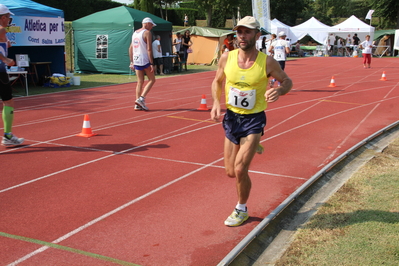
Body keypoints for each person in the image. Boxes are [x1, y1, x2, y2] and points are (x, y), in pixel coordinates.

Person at [210, 16, 293, 227]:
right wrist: (215, 103)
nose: (242, 36)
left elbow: (287, 80)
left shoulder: (267, 61)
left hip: (253, 120)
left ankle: (241, 209)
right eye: (239, 32)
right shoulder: (226, 57)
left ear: (257, 35)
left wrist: (280, 90)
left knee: (240, 170)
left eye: (247, 32)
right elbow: (217, 81)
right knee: (230, 172)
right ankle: (253, 146)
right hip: (231, 118)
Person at [0, 5, 24, 146]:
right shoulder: (2, 29)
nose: (10, 20)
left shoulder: (3, 32)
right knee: (8, 102)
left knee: (8, 101)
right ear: (3, 17)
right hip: (0, 71)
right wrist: (5, 59)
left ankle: (8, 136)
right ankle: (8, 136)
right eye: (9, 17)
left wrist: (5, 44)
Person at [129, 17, 156, 111]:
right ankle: (141, 99)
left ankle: (137, 103)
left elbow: (130, 48)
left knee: (140, 81)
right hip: (144, 59)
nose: (152, 27)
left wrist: (132, 61)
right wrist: (151, 63)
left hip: (136, 59)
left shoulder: (135, 33)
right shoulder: (147, 33)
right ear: (147, 23)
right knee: (152, 79)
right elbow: (149, 49)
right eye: (151, 25)